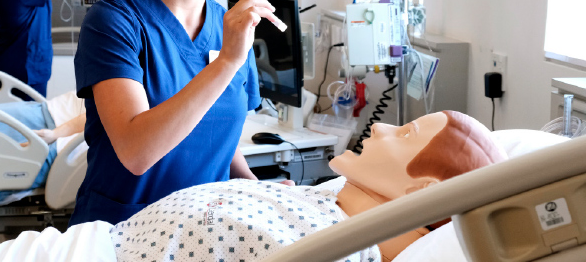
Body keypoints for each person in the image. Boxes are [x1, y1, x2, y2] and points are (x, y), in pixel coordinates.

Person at [69, 0, 288, 227]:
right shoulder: (114, 22)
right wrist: (226, 63)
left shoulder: (230, 27)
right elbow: (136, 151)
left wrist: (260, 191)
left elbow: (222, 137)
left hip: (202, 233)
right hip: (122, 230)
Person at [106, 110, 507, 262]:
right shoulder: (328, 199)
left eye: (404, 134)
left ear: (421, 194)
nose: (381, 126)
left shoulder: (337, 250)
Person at [329, 110, 508, 261]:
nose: (378, 127)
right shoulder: (324, 213)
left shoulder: (331, 245)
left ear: (426, 193)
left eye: (406, 134)